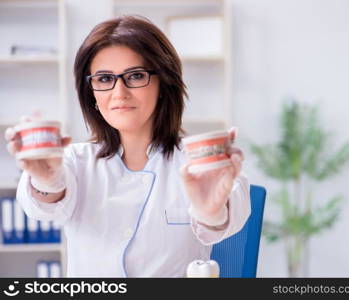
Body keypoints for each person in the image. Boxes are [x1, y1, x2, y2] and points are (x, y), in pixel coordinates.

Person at [4, 15, 250, 277]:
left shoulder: (204, 165)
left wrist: (209, 212)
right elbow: (42, 209)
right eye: (104, 79)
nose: (119, 92)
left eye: (135, 76)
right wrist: (48, 183)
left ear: (164, 84)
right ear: (92, 94)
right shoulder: (73, 161)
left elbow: (225, 219)